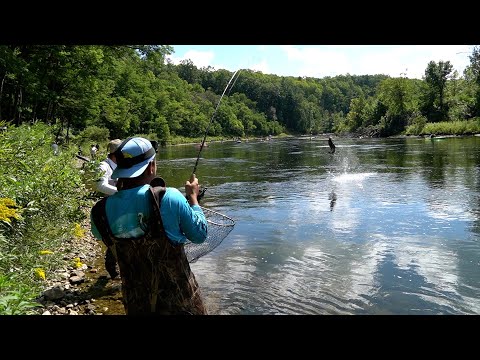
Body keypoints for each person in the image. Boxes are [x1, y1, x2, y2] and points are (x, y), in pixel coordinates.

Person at [90, 137, 208, 314]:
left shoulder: (99, 211)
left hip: (136, 302)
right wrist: (193, 199)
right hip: (180, 302)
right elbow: (199, 235)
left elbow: (103, 237)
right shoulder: (168, 197)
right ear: (151, 166)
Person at [95, 138, 122, 279]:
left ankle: (116, 267)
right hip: (110, 207)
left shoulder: (120, 165)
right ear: (115, 154)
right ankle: (112, 268)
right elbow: (100, 186)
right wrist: (121, 192)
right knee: (114, 236)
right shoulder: (103, 166)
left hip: (119, 204)